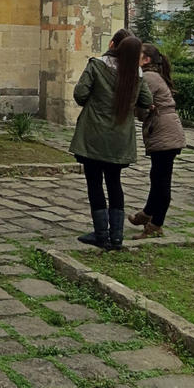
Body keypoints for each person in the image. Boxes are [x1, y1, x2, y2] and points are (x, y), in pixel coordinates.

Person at [70, 33, 152, 250]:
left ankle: (101, 234)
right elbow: (147, 101)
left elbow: (80, 94)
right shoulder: (137, 74)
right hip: (119, 138)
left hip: (94, 134)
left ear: (116, 47)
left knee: (94, 183)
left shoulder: (97, 66)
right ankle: (117, 237)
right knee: (114, 183)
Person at [129, 43, 186, 238]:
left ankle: (155, 224)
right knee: (157, 176)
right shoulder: (153, 75)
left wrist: (142, 110)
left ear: (147, 60)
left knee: (162, 181)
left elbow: (139, 104)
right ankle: (147, 214)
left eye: (138, 55)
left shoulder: (149, 77)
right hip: (165, 129)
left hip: (164, 131)